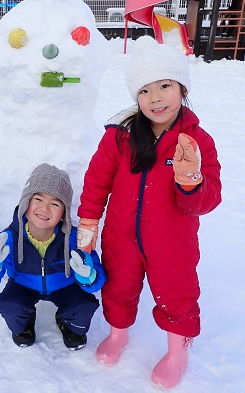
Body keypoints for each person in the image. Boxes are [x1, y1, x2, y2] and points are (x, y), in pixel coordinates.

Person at [77, 36, 222, 388]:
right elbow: (97, 182)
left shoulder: (196, 141)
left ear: (182, 88)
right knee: (118, 288)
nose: (155, 98)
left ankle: (177, 351)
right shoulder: (119, 136)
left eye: (165, 86)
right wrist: (88, 224)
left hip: (172, 242)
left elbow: (209, 199)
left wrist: (191, 181)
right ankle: (118, 333)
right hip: (121, 237)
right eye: (144, 90)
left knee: (177, 293)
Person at [0, 163, 106, 350]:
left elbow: (97, 281)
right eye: (38, 199)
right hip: (24, 285)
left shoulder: (75, 239)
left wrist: (87, 275)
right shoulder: (8, 238)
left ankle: (68, 323)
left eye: (55, 203)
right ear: (26, 203)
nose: (45, 208)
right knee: (10, 304)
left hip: (65, 285)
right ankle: (24, 325)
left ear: (63, 214)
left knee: (83, 306)